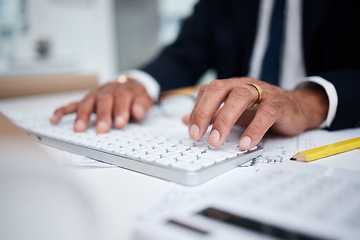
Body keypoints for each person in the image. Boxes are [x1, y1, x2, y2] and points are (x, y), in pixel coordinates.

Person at [51, 0, 360, 151]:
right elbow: (186, 51)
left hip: (330, 146)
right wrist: (137, 83)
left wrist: (313, 100)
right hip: (231, 143)